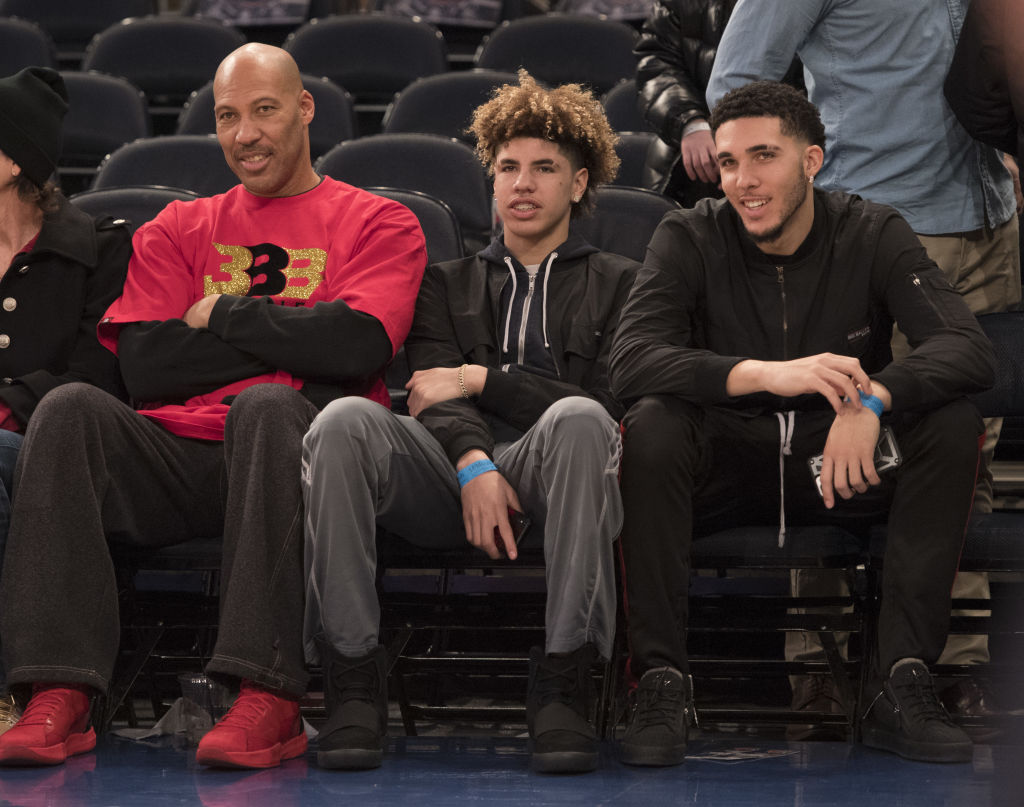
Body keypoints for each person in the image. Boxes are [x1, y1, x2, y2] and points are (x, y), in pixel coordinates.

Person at [0, 43, 425, 768]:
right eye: (228, 116)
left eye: (264, 110)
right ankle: (58, 691)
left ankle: (268, 692)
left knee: (266, 406)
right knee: (69, 409)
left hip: (296, 455)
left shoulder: (380, 222)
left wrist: (222, 314)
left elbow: (357, 346)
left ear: (305, 108)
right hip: (176, 455)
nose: (245, 134)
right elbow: (145, 361)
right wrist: (300, 336)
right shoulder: (178, 228)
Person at [610, 81, 994, 766]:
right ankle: (660, 682)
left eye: (764, 156)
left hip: (837, 465)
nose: (743, 180)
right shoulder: (689, 233)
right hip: (728, 461)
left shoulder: (872, 230)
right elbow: (632, 359)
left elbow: (967, 348)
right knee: (653, 425)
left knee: (952, 424)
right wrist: (766, 373)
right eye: (729, 162)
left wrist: (874, 400)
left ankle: (901, 680)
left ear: (812, 160)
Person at [301, 70, 635, 774]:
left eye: (544, 168)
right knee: (341, 422)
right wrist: (474, 461)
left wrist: (485, 380)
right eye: (508, 167)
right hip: (446, 472)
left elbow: (606, 407)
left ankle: (567, 678)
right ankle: (352, 677)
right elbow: (429, 392)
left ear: (578, 184)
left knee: (580, 417)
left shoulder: (622, 283)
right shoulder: (442, 281)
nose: (522, 184)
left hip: (561, 474)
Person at [706, 0, 1021, 722]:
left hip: (988, 221)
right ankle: (820, 665)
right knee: (831, 445)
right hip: (871, 228)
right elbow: (738, 81)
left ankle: (947, 663)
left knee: (966, 454)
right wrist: (811, 195)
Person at [0, 66, 131, 735]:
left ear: (13, 162)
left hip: (57, 448)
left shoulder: (98, 249)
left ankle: (9, 690)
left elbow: (98, 375)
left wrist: (9, 408)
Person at [633, 0, 803, 206]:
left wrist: (751, 148)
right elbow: (656, 63)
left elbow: (818, 85)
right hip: (689, 162)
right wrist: (690, 123)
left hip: (782, 156)